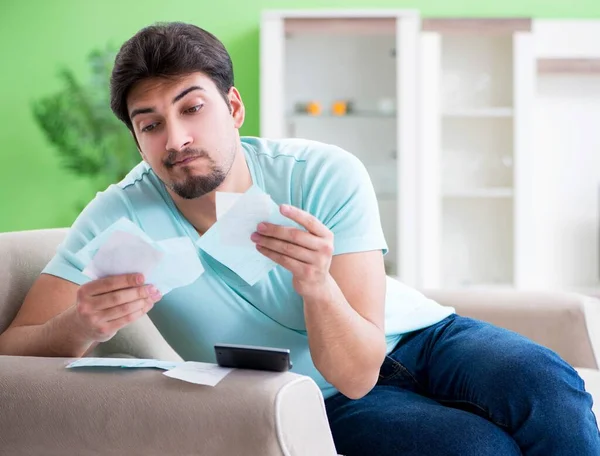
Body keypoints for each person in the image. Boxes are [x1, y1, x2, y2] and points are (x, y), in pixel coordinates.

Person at [0, 21, 598, 456]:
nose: (176, 138)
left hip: (420, 337)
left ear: (233, 107)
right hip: (320, 392)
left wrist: (317, 284)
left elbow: (364, 355)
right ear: (137, 140)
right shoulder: (119, 214)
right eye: (150, 124)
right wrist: (81, 324)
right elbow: (13, 349)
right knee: (471, 447)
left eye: (192, 108)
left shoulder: (322, 172)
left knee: (544, 384)